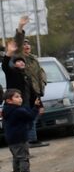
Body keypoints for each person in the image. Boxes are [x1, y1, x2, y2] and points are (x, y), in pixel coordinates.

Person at [11, 17, 48, 147]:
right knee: (29, 115)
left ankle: (31, 139)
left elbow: (39, 75)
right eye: (24, 44)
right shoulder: (19, 58)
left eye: (28, 44)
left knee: (34, 114)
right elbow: (18, 42)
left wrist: (42, 88)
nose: (26, 46)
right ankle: (31, 140)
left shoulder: (33, 59)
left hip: (35, 91)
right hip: (25, 92)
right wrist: (20, 27)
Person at [2, 88, 41, 172]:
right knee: (24, 157)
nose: (20, 99)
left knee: (16, 158)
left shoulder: (6, 110)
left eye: (20, 97)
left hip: (10, 138)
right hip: (20, 138)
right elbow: (30, 117)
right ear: (9, 100)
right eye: (17, 97)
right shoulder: (18, 110)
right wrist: (36, 107)